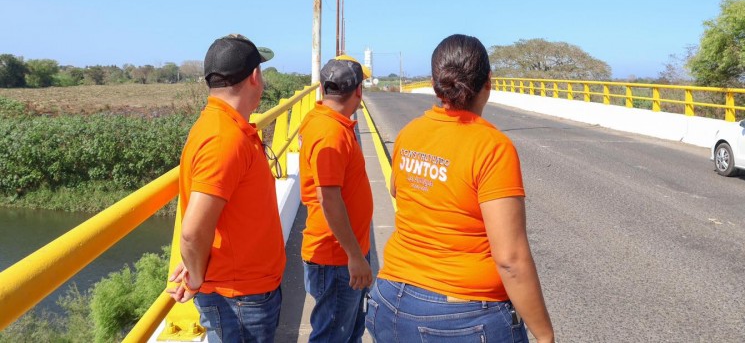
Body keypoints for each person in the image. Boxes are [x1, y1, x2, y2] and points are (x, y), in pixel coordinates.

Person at [366, 34, 555, 343]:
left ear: (435, 83)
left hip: (388, 301)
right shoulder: (492, 147)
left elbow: (398, 191)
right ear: (488, 82)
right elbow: (510, 259)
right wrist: (545, 336)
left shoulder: (409, 133)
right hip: (461, 318)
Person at [166, 34, 286, 343]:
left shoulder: (224, 126)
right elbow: (192, 232)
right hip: (240, 301)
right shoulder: (224, 139)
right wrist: (195, 277)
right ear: (255, 76)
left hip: (245, 293)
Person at [299, 56, 374, 342]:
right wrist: (355, 256)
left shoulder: (327, 121)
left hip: (344, 252)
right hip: (338, 257)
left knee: (349, 332)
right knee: (332, 336)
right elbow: (328, 199)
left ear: (322, 89)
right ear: (358, 91)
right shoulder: (330, 132)